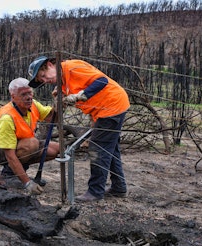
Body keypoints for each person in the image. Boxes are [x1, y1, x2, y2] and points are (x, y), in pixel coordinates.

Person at [28, 56, 130, 202]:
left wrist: (81, 95)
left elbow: (102, 81)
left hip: (111, 106)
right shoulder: (62, 78)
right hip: (104, 109)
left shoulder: (72, 67)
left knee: (97, 148)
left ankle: (95, 191)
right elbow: (67, 89)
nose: (45, 80)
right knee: (110, 148)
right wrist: (60, 95)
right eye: (42, 80)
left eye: (43, 76)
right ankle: (119, 187)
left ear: (50, 65)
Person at [0, 77, 59, 195]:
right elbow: (9, 155)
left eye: (30, 92)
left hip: (22, 146)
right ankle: (8, 175)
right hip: (1, 153)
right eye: (23, 94)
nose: (29, 97)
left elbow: (52, 119)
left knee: (55, 149)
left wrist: (59, 105)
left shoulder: (33, 104)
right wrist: (27, 183)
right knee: (32, 144)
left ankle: (19, 172)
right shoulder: (6, 117)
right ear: (13, 96)